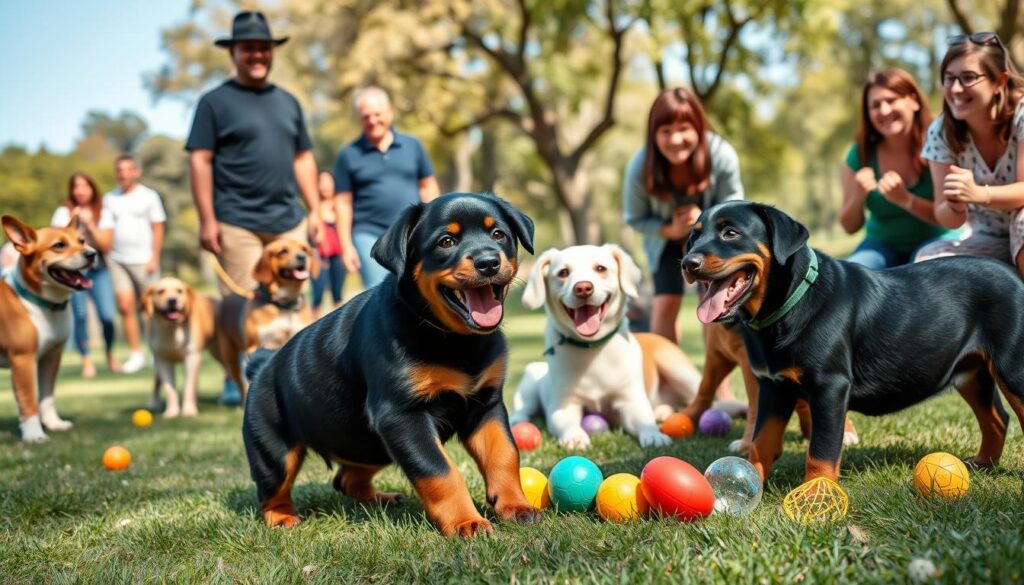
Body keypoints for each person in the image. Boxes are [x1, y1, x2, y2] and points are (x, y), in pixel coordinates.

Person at [185, 10, 322, 405]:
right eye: (249, 49)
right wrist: (207, 219)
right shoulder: (214, 102)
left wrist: (315, 210)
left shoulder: (288, 102)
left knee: (294, 304)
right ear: (234, 53)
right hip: (235, 221)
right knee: (246, 304)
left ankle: (300, 383)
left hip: (287, 219)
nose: (258, 55)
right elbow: (200, 160)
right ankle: (242, 382)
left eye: (264, 48)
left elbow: (303, 159)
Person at [623, 87, 744, 343]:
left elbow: (737, 208)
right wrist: (671, 230)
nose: (675, 139)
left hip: (714, 242)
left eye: (683, 129)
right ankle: (663, 378)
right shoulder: (640, 167)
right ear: (653, 135)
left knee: (713, 300)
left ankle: (719, 382)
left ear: (698, 128)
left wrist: (706, 219)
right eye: (665, 131)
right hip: (664, 242)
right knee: (666, 303)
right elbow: (635, 218)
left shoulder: (721, 155)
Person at [916, 32, 1024, 277]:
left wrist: (979, 193)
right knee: (929, 259)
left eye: (968, 78)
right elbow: (943, 215)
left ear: (999, 82)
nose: (955, 88)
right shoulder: (940, 132)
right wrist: (954, 205)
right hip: (988, 237)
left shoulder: (1021, 114)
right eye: (949, 78)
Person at [840, 69, 962, 268]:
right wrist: (858, 195)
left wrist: (906, 200)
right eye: (875, 105)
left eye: (891, 100)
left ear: (914, 101)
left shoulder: (940, 141)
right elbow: (848, 226)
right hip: (880, 245)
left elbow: (951, 216)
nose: (884, 110)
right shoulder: (860, 154)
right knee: (854, 273)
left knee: (927, 274)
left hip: (937, 238)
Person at [332, 86, 440, 288]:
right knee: (379, 291)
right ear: (359, 119)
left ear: (390, 112)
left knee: (418, 289)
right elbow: (342, 203)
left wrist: (434, 225)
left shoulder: (412, 145)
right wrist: (345, 246)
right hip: (368, 234)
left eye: (377, 114)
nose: (372, 121)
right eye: (366, 116)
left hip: (411, 232)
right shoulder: (348, 155)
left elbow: (428, 186)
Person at [51, 172, 119, 378]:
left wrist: (89, 224)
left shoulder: (103, 213)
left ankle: (109, 353)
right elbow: (57, 244)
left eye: (84, 186)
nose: (80, 190)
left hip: (98, 270)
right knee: (79, 316)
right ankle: (86, 360)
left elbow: (105, 246)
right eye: (76, 186)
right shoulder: (63, 213)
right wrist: (75, 226)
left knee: (107, 316)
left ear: (92, 189)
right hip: (72, 272)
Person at [104, 155, 166, 374]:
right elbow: (106, 229)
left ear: (136, 172)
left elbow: (158, 228)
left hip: (145, 259)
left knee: (152, 308)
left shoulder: (149, 196)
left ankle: (156, 350)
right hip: (118, 260)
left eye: (127, 169)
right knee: (125, 307)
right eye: (119, 169)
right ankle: (136, 353)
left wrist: (154, 257)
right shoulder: (109, 198)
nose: (123, 173)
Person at [310, 171, 345, 318]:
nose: (325, 186)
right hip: (319, 256)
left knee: (337, 294)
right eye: (322, 182)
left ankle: (341, 325)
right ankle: (312, 327)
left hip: (337, 255)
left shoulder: (342, 205)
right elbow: (310, 235)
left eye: (328, 182)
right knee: (317, 294)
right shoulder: (313, 207)